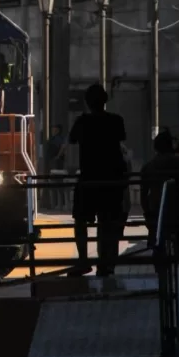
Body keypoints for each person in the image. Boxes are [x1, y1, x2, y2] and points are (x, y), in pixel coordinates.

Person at [63, 84, 127, 277]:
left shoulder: (82, 122)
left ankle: (83, 260)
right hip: (111, 178)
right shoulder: (116, 121)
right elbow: (121, 140)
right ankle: (106, 264)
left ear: (87, 102)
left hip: (89, 177)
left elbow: (72, 140)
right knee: (108, 223)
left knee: (81, 220)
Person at [139, 129, 179, 259]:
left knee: (158, 242)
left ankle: (160, 265)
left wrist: (147, 213)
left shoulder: (148, 167)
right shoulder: (178, 163)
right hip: (176, 208)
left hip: (156, 209)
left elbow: (143, 194)